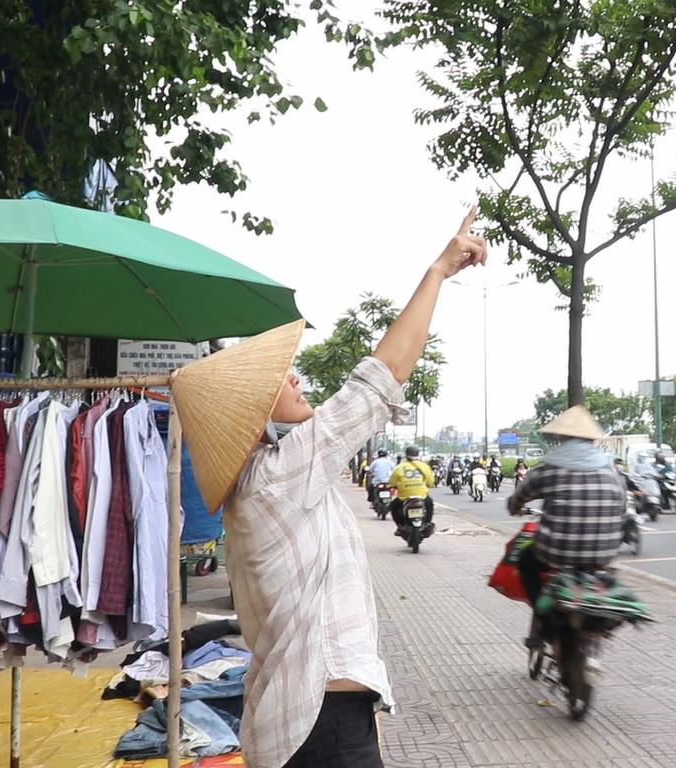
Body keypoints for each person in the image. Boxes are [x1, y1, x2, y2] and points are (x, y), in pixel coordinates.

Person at [170, 207, 487, 768]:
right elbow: (381, 375)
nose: (292, 376)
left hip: (300, 723)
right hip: (322, 727)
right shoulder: (278, 473)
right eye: (277, 378)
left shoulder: (259, 481)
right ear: (249, 412)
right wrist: (437, 270)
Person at [507, 406, 626, 648]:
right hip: (603, 553)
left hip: (555, 551)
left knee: (526, 562)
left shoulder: (549, 466)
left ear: (561, 436)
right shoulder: (610, 467)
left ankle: (542, 617)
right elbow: (621, 504)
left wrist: (514, 506)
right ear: (592, 438)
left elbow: (519, 496)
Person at [389, 445, 436, 536]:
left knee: (393, 506)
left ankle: (400, 526)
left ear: (406, 454)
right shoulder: (424, 466)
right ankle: (427, 523)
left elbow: (392, 482)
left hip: (404, 496)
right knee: (429, 503)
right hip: (421, 495)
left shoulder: (399, 467)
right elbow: (430, 482)